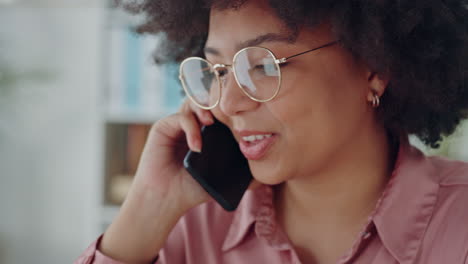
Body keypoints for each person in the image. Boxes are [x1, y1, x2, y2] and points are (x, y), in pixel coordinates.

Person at [76, 0, 468, 263]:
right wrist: (149, 205)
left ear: (375, 67)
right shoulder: (193, 226)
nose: (228, 103)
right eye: (219, 72)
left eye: (263, 66)